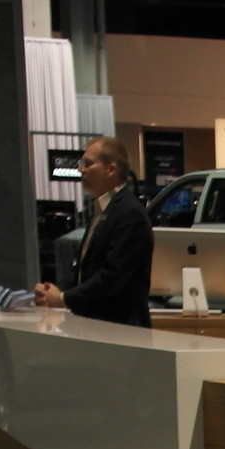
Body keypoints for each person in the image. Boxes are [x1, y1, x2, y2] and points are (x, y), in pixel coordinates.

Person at [36, 136, 151, 328]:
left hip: (121, 331)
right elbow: (88, 271)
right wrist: (55, 293)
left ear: (110, 169)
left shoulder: (129, 214)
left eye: (88, 163)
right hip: (99, 326)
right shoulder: (104, 209)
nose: (81, 169)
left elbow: (112, 277)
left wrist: (63, 298)